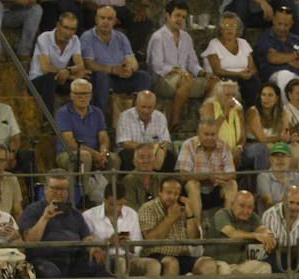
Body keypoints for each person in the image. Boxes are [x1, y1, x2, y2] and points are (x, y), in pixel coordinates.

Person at [19, 169, 99, 278]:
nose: (59, 193)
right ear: (46, 189)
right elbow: (29, 241)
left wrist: (93, 247)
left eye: (63, 189)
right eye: (55, 188)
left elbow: (86, 237)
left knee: (102, 265)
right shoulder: (33, 210)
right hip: (45, 259)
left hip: (74, 258)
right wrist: (45, 218)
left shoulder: (75, 213)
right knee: (50, 272)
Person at [148, 2, 214, 130]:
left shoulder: (186, 37)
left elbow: (192, 64)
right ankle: (174, 122)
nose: (181, 20)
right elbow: (156, 66)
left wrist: (203, 73)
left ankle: (205, 121)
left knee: (213, 82)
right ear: (168, 15)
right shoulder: (158, 37)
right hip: (162, 80)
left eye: (183, 17)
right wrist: (176, 70)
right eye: (177, 15)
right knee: (186, 80)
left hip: (185, 78)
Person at [80, 4, 152, 118]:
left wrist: (130, 69)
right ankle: (99, 118)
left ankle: (138, 116)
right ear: (96, 19)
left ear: (115, 21)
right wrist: (112, 70)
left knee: (144, 77)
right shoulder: (87, 37)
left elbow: (132, 60)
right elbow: (88, 63)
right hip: (102, 77)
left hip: (120, 76)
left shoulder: (121, 37)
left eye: (109, 19)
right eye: (102, 18)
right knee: (101, 76)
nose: (105, 21)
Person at [139, 174, 220, 275]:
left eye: (176, 194)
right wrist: (171, 218)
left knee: (208, 263)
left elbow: (194, 240)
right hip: (156, 255)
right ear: (160, 192)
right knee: (172, 263)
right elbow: (150, 239)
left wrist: (190, 215)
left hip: (182, 256)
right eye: (168, 193)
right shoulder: (148, 208)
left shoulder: (183, 208)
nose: (172, 197)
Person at [81, 185, 161, 277]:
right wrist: (108, 242)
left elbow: (138, 245)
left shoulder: (132, 214)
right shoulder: (89, 216)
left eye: (120, 204)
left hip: (130, 258)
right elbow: (86, 245)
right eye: (112, 204)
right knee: (121, 262)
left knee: (154, 265)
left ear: (124, 201)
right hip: (106, 259)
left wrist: (130, 245)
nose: (116, 209)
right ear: (104, 200)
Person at [255, 4, 299, 109]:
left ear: (291, 24)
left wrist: (284, 59)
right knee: (285, 75)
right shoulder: (266, 37)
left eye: (286, 25)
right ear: (273, 20)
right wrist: (296, 55)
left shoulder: (297, 39)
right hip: (276, 75)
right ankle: (287, 114)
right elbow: (273, 58)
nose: (282, 28)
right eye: (279, 23)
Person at [28, 11, 89, 114]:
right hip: (38, 80)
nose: (68, 32)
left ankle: (86, 117)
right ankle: (48, 119)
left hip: (60, 79)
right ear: (58, 25)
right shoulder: (44, 38)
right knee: (51, 78)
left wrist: (68, 71)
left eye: (72, 29)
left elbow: (80, 65)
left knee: (88, 80)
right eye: (66, 27)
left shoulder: (75, 40)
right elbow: (46, 67)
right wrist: (70, 75)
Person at [207, 189, 276, 274]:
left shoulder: (253, 217)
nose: (245, 211)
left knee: (265, 268)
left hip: (241, 263)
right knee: (225, 271)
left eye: (250, 207)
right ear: (233, 204)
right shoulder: (222, 214)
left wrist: (269, 236)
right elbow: (232, 233)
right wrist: (255, 235)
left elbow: (262, 229)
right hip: (218, 262)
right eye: (242, 206)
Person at [261, 184, 299, 271]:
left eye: (298, 204)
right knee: (280, 261)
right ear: (283, 200)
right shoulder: (270, 215)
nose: (294, 207)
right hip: (276, 257)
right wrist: (297, 249)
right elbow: (272, 248)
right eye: (291, 202)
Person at [115, 90, 172, 172]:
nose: (146, 111)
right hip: (133, 151)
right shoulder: (125, 116)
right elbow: (125, 143)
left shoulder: (160, 117)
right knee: (128, 155)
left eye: (150, 107)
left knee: (170, 157)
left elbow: (165, 141)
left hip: (154, 151)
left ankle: (161, 182)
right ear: (136, 105)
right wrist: (148, 149)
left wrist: (160, 151)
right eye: (143, 107)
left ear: (155, 106)